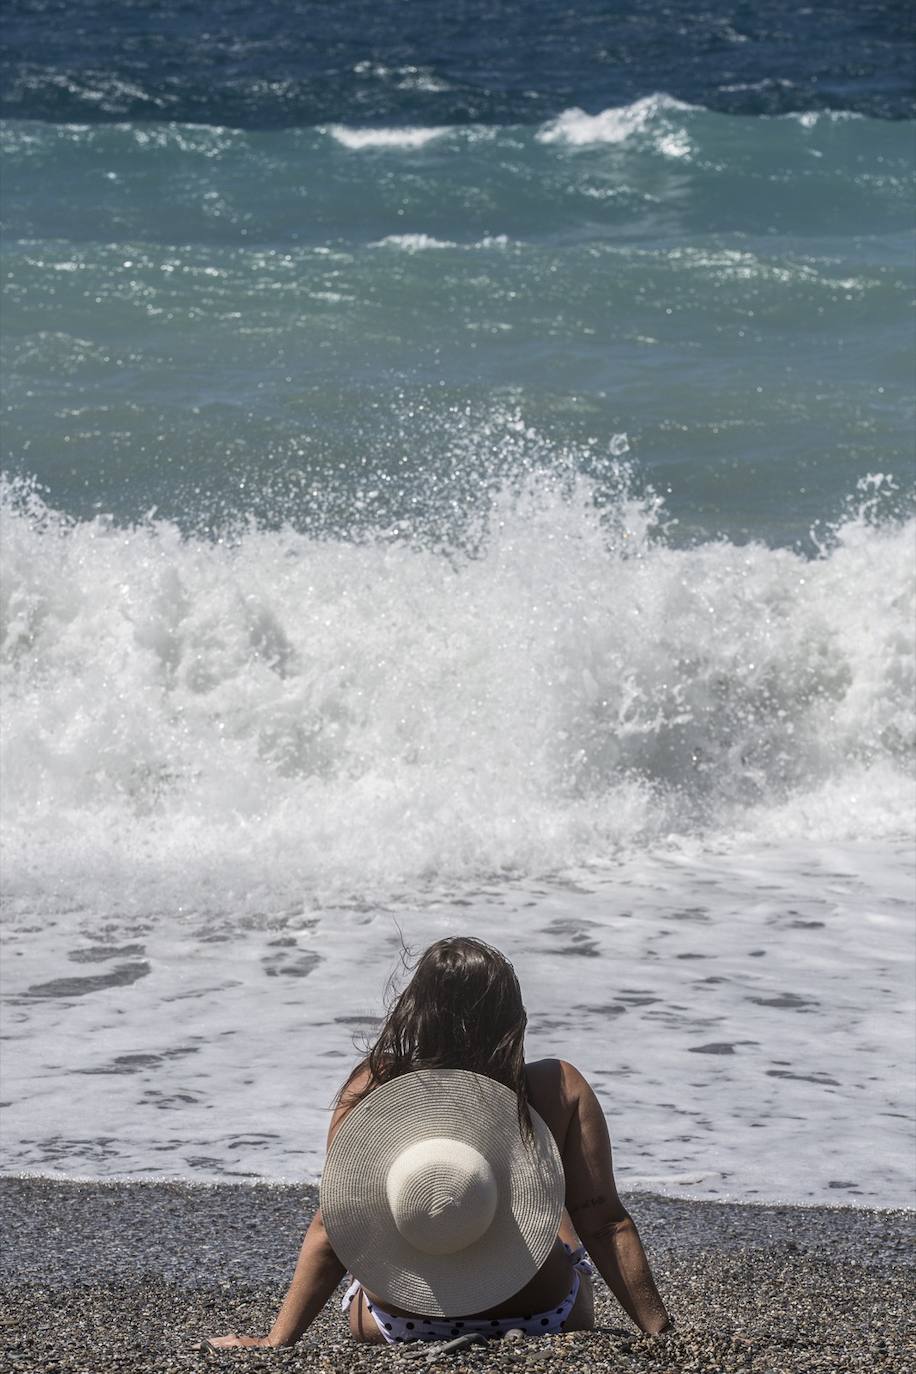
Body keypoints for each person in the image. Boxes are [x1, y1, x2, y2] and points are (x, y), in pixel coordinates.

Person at [208, 936, 670, 1348]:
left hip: (399, 1321)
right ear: (510, 1018)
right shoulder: (557, 1088)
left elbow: (335, 1224)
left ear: (415, 1009)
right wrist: (660, 1333)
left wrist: (277, 1340)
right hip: (543, 1312)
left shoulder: (375, 1084)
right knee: (554, 1205)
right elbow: (605, 1224)